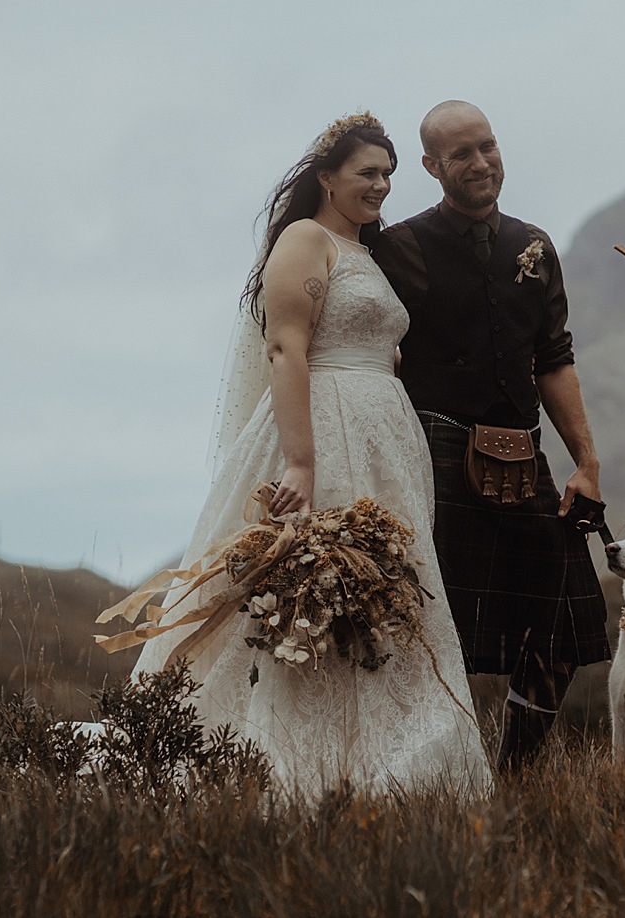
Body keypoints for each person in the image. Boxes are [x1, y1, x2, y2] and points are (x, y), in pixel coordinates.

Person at [131, 112, 492, 800]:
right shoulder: (306, 239)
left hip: (383, 440)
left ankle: (377, 765)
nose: (381, 185)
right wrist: (300, 463)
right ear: (327, 177)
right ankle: (283, 765)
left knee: (382, 593)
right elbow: (285, 348)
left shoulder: (367, 255)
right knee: (308, 592)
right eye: (367, 172)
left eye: (388, 173)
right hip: (324, 435)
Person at [372, 100, 610, 770]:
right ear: (431, 166)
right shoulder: (400, 248)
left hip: (524, 452)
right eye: (462, 154)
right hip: (434, 453)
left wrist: (586, 463)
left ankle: (515, 777)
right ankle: (422, 779)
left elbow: (554, 358)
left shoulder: (533, 246)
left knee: (559, 635)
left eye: (489, 146)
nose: (481, 163)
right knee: (419, 636)